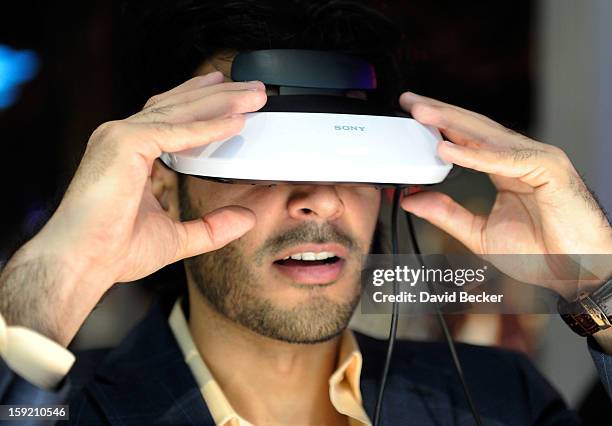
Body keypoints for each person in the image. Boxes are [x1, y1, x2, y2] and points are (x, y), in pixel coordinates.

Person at [1, 1, 611, 425]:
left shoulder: (499, 399)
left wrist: (597, 283)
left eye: (346, 150)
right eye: (255, 154)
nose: (318, 196)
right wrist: (59, 273)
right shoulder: (60, 409)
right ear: (161, 179)